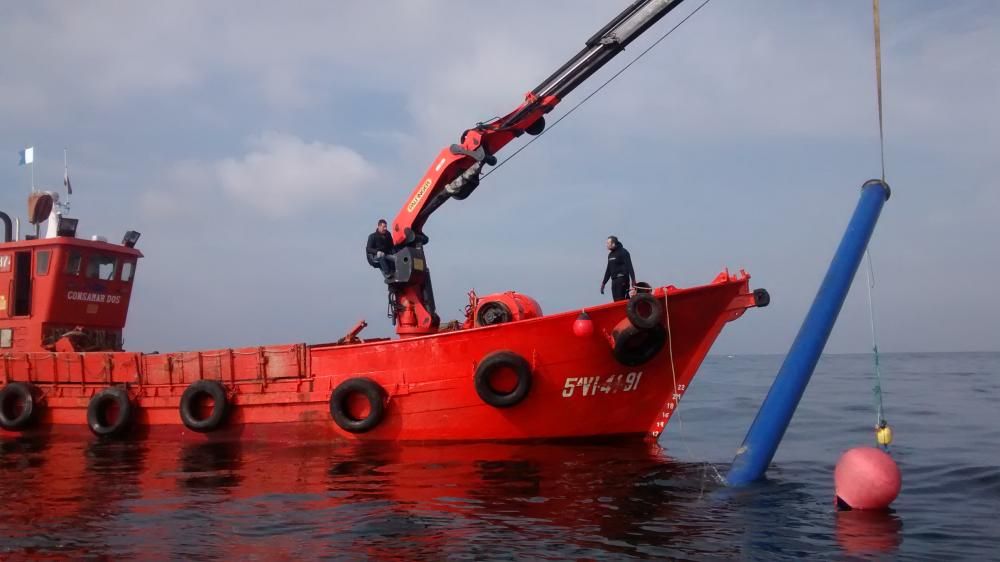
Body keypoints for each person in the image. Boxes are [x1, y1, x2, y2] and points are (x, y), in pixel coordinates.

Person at [600, 235, 636, 302]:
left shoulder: (623, 252)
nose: (606, 245)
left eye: (608, 243)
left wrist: (633, 281)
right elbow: (608, 270)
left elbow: (630, 266)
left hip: (622, 280)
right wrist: (603, 283)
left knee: (621, 301)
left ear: (613, 244)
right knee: (616, 302)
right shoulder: (610, 255)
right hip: (614, 281)